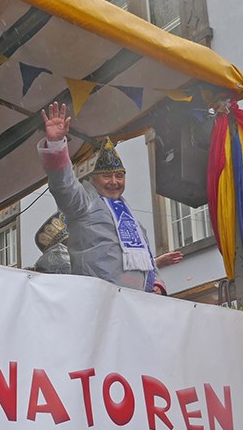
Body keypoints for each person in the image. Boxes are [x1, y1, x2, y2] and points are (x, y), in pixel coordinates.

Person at [38, 102, 157, 291]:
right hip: (98, 295)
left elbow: (147, 258)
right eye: (107, 176)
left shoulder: (134, 222)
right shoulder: (85, 203)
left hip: (137, 300)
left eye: (119, 176)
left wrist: (157, 284)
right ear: (93, 180)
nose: (114, 182)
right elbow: (63, 185)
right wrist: (56, 145)